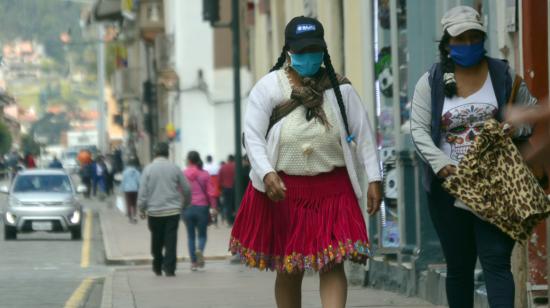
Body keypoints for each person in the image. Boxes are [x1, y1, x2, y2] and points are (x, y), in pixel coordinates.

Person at [229, 16, 382, 308]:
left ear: (323, 51)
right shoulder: (268, 88)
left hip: (333, 189)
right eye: (301, 51)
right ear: (288, 51)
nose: (308, 56)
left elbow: (363, 135)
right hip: (285, 189)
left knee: (333, 262)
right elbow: (253, 137)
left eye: (314, 49)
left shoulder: (342, 90)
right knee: (291, 266)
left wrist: (374, 177)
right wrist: (267, 173)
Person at [410, 6, 537, 308]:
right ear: (447, 44)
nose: (468, 44)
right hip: (449, 190)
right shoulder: (431, 81)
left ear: (482, 39)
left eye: (474, 37)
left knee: (495, 260)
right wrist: (441, 166)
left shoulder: (502, 75)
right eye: (460, 38)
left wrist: (513, 129)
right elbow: (418, 129)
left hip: (496, 186)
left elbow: (529, 112)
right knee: (459, 266)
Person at [138, 142, 191, 276]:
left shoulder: (148, 169)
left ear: (155, 153)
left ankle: (157, 264)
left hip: (154, 212)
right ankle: (169, 268)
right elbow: (187, 189)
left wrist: (141, 208)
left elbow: (143, 191)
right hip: (172, 211)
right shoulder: (175, 168)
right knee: (171, 240)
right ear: (167, 153)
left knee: (156, 239)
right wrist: (184, 204)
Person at [182, 151, 218, 271]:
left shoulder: (183, 174)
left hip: (187, 208)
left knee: (191, 236)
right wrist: (213, 207)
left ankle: (193, 263)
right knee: (202, 235)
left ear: (188, 160)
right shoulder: (205, 174)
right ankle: (200, 250)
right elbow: (211, 192)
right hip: (202, 208)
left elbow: (179, 191)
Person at [121, 157, 141, 224]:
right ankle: (135, 216)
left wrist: (121, 189)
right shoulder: (137, 172)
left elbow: (123, 181)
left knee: (128, 203)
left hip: (127, 190)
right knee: (134, 203)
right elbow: (139, 181)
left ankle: (130, 217)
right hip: (135, 189)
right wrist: (140, 188)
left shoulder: (125, 172)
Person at [203, 155, 222, 226]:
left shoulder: (204, 167)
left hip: (207, 189)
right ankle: (215, 220)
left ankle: (209, 220)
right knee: (215, 205)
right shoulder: (216, 166)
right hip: (215, 188)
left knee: (207, 205)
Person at [218, 155, 236, 225]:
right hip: (235, 188)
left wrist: (220, 189)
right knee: (234, 204)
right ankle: (235, 220)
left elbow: (219, 180)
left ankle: (229, 221)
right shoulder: (236, 166)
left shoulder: (222, 167)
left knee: (227, 205)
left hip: (225, 188)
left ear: (228, 160)